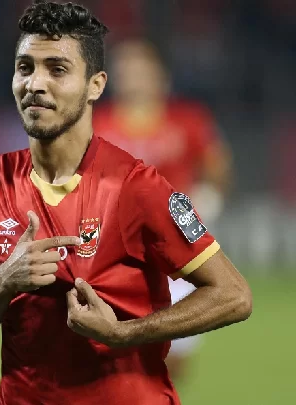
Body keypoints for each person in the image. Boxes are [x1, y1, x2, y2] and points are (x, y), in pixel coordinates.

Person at [0, 1, 252, 404]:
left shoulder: (137, 185)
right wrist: (5, 280)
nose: (36, 83)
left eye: (57, 69)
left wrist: (123, 333)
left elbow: (234, 295)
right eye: (25, 67)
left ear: (96, 85)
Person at [94, 39, 233, 382]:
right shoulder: (98, 124)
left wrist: (209, 198)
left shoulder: (188, 120)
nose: (134, 77)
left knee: (174, 357)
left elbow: (217, 165)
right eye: (126, 69)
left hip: (177, 255)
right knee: (112, 352)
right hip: (119, 255)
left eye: (141, 68)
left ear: (160, 75)